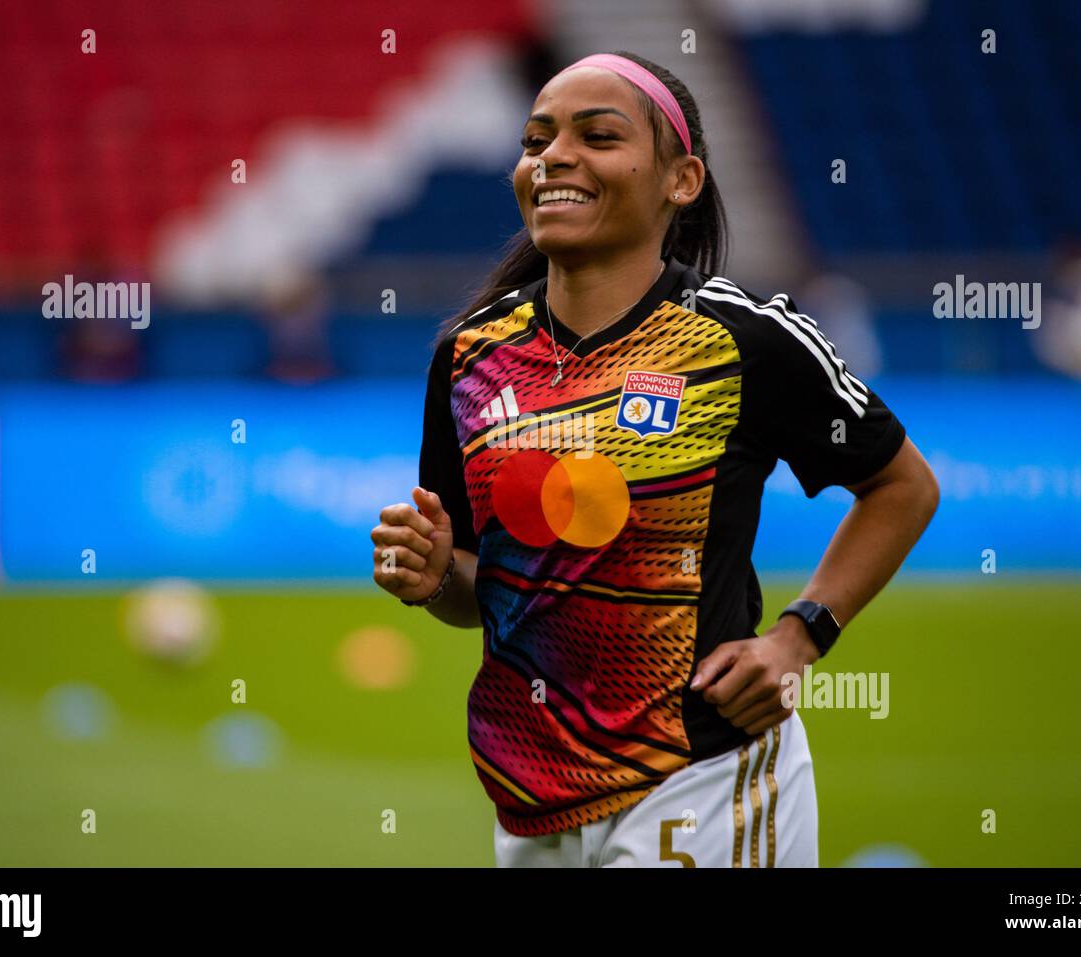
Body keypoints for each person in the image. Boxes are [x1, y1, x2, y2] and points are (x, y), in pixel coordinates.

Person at [371, 51, 939, 867]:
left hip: (703, 776)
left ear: (682, 180)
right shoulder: (469, 356)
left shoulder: (742, 339)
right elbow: (474, 588)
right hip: (530, 797)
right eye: (536, 141)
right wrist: (433, 577)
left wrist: (798, 637)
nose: (554, 157)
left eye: (598, 136)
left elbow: (901, 484)